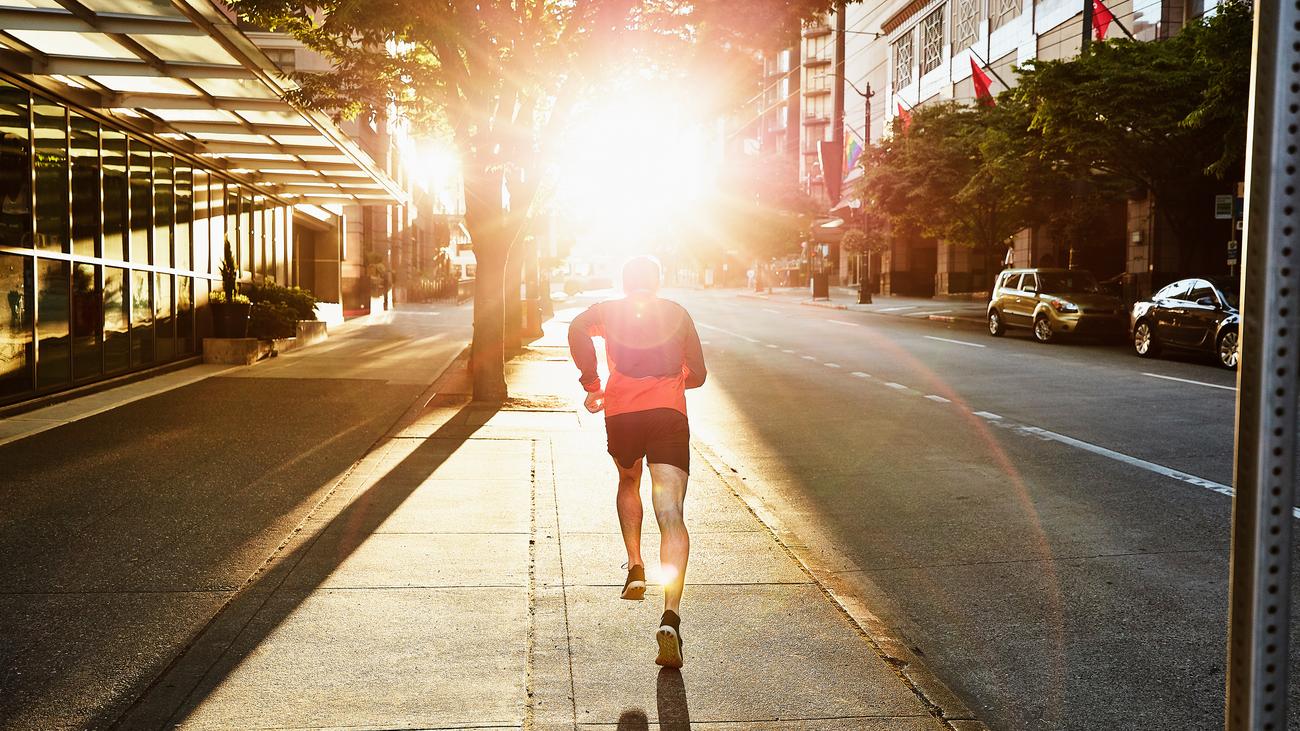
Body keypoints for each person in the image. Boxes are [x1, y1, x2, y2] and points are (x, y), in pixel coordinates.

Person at [567, 256, 707, 669]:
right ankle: (671, 616)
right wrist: (675, 373)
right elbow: (698, 374)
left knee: (628, 482)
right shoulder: (678, 313)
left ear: (625, 283)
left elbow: (576, 328)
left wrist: (592, 383)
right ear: (658, 283)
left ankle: (635, 566)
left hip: (622, 413)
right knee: (671, 513)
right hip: (667, 414)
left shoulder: (608, 311)